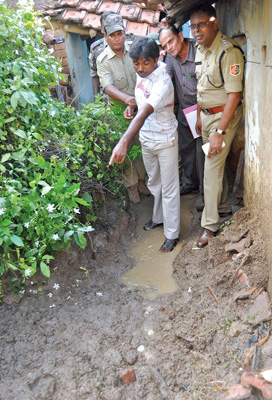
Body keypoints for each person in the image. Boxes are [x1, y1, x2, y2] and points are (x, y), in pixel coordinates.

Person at [109, 37, 180, 253]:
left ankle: (172, 233)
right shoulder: (142, 75)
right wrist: (131, 106)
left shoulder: (163, 81)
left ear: (157, 58)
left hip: (166, 140)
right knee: (154, 182)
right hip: (147, 139)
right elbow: (141, 104)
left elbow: (147, 110)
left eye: (145, 63)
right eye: (136, 64)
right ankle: (158, 218)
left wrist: (124, 141)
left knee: (169, 189)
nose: (140, 69)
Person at [189, 4, 244, 248]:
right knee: (212, 164)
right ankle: (222, 207)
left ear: (214, 23)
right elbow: (201, 87)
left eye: (201, 24)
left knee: (211, 167)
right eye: (192, 26)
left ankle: (209, 226)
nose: (196, 30)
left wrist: (219, 132)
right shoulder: (201, 50)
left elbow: (234, 96)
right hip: (207, 116)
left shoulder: (228, 51)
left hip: (225, 117)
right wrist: (200, 116)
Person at [97, 14, 149, 204]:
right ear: (105, 35)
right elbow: (108, 87)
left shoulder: (135, 50)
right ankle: (132, 186)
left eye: (120, 34)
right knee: (125, 151)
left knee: (142, 147)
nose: (117, 38)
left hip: (141, 108)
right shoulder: (103, 60)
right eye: (112, 35)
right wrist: (127, 99)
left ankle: (143, 181)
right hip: (120, 113)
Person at [159, 26, 205, 210]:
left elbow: (203, 85)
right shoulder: (170, 57)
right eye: (165, 45)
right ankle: (189, 183)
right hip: (185, 111)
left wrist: (201, 114)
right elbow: (166, 78)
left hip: (202, 111)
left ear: (180, 36)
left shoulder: (199, 51)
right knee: (186, 149)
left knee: (202, 153)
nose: (169, 47)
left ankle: (204, 192)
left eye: (171, 41)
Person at [89, 11, 116, 97]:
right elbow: (95, 75)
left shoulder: (128, 44)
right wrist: (96, 99)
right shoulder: (96, 48)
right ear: (101, 28)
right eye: (106, 26)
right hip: (107, 99)